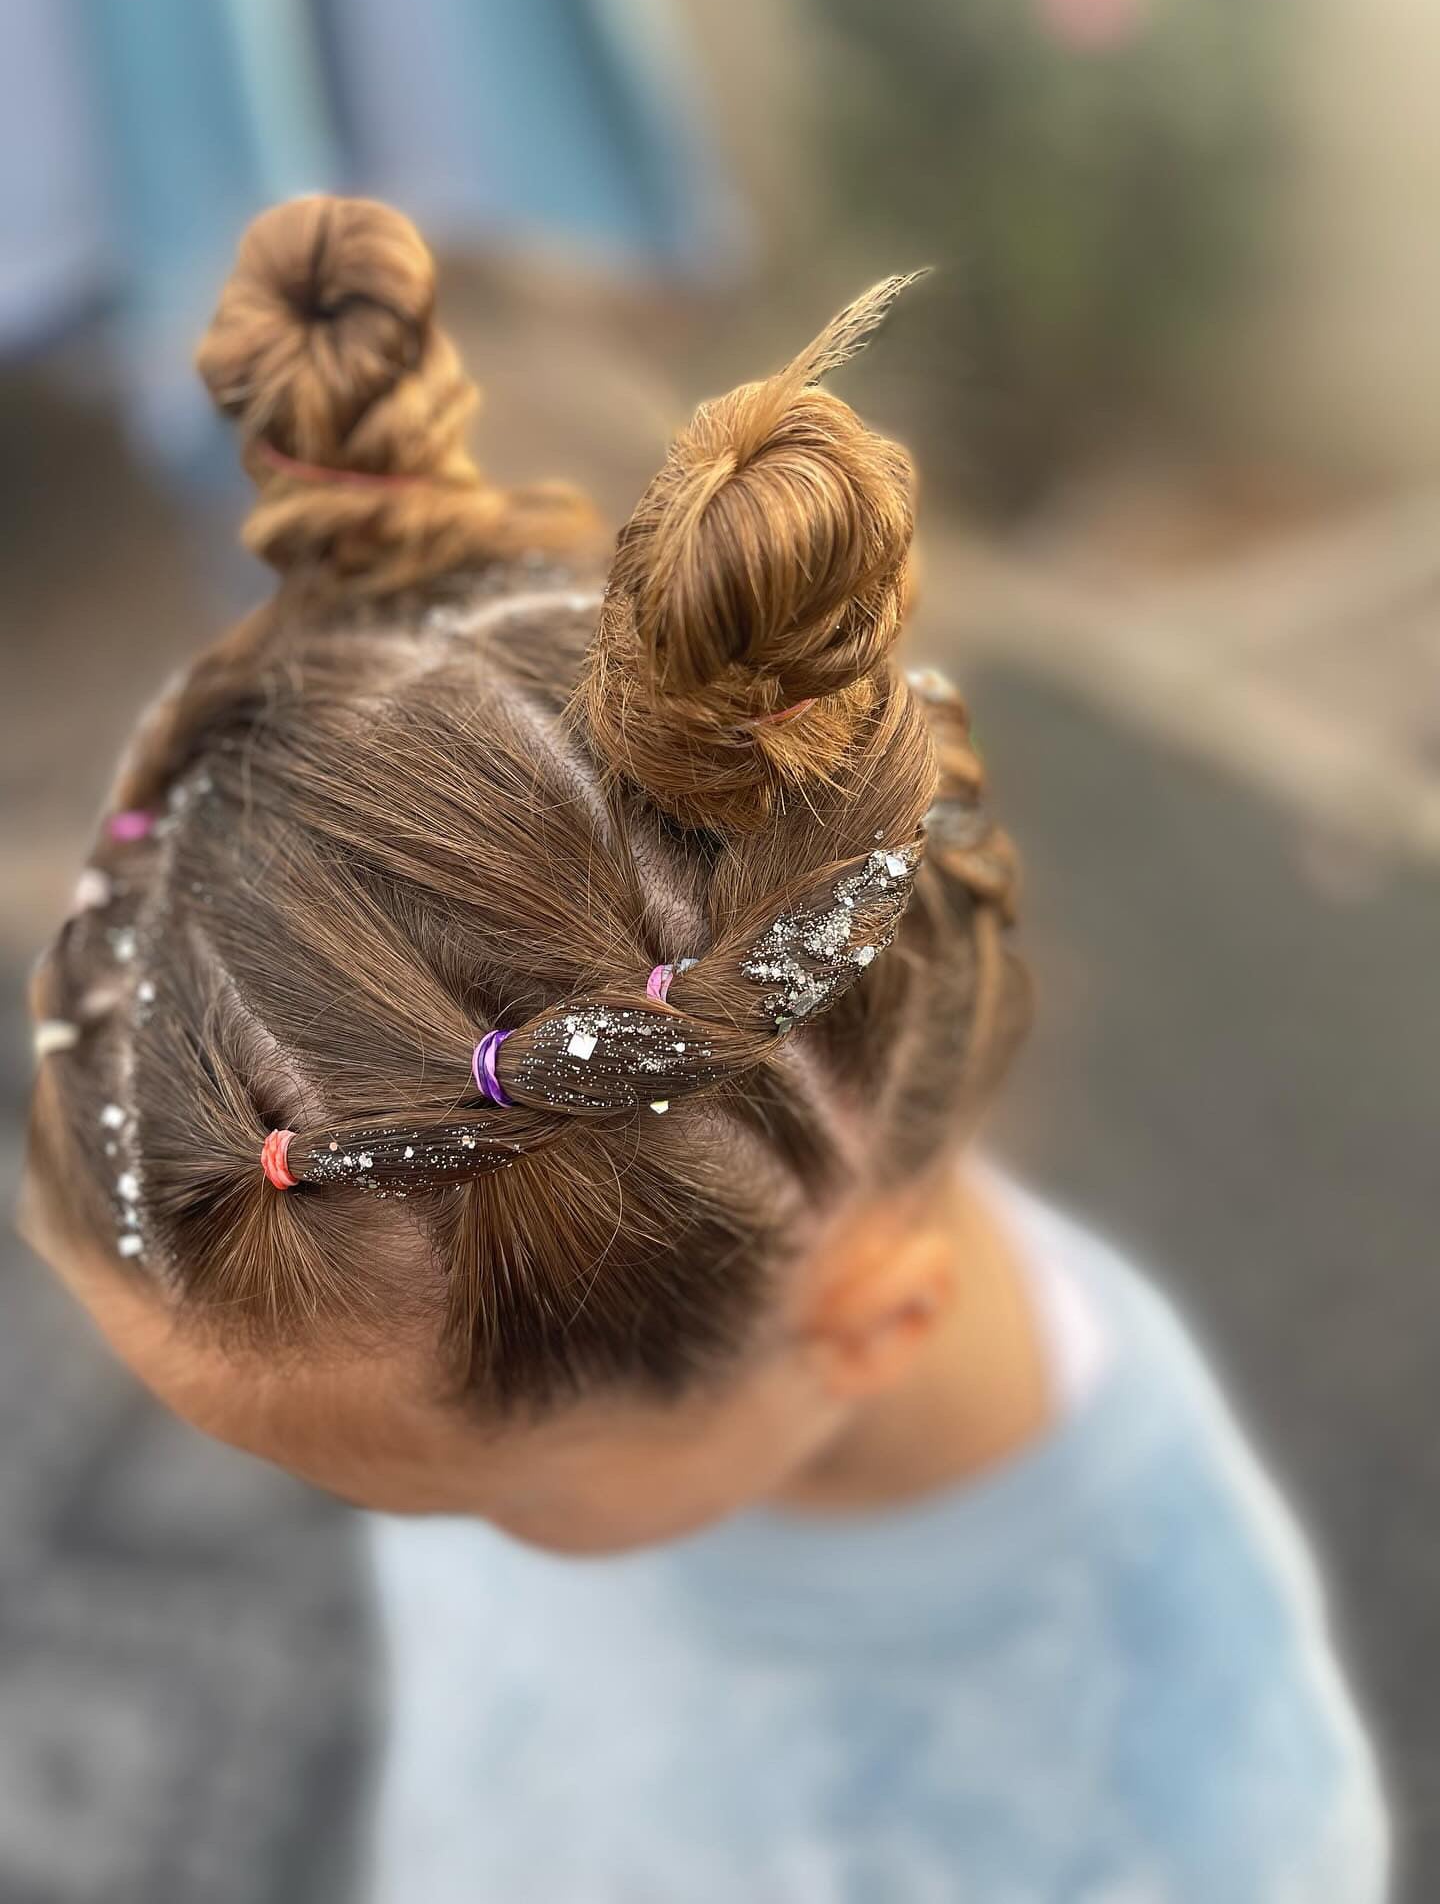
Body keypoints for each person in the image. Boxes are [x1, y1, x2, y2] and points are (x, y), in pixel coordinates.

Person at [23, 196, 1388, 1902]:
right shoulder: (539, 1307)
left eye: (476, 1511)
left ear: (866, 1324)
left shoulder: (1172, 1815)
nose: (409, 1540)